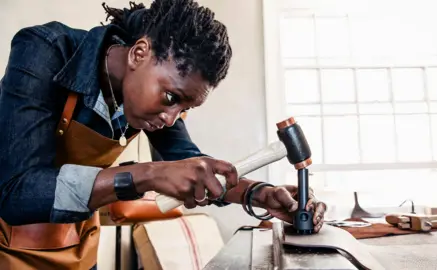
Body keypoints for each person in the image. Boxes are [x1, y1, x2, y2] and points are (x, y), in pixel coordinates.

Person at [0, 0, 327, 269]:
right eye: (171, 98)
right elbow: (16, 194)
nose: (171, 119)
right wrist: (146, 175)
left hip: (76, 245)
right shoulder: (46, 50)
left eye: (184, 108)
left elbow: (190, 165)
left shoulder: (152, 103)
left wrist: (258, 195)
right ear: (139, 53)